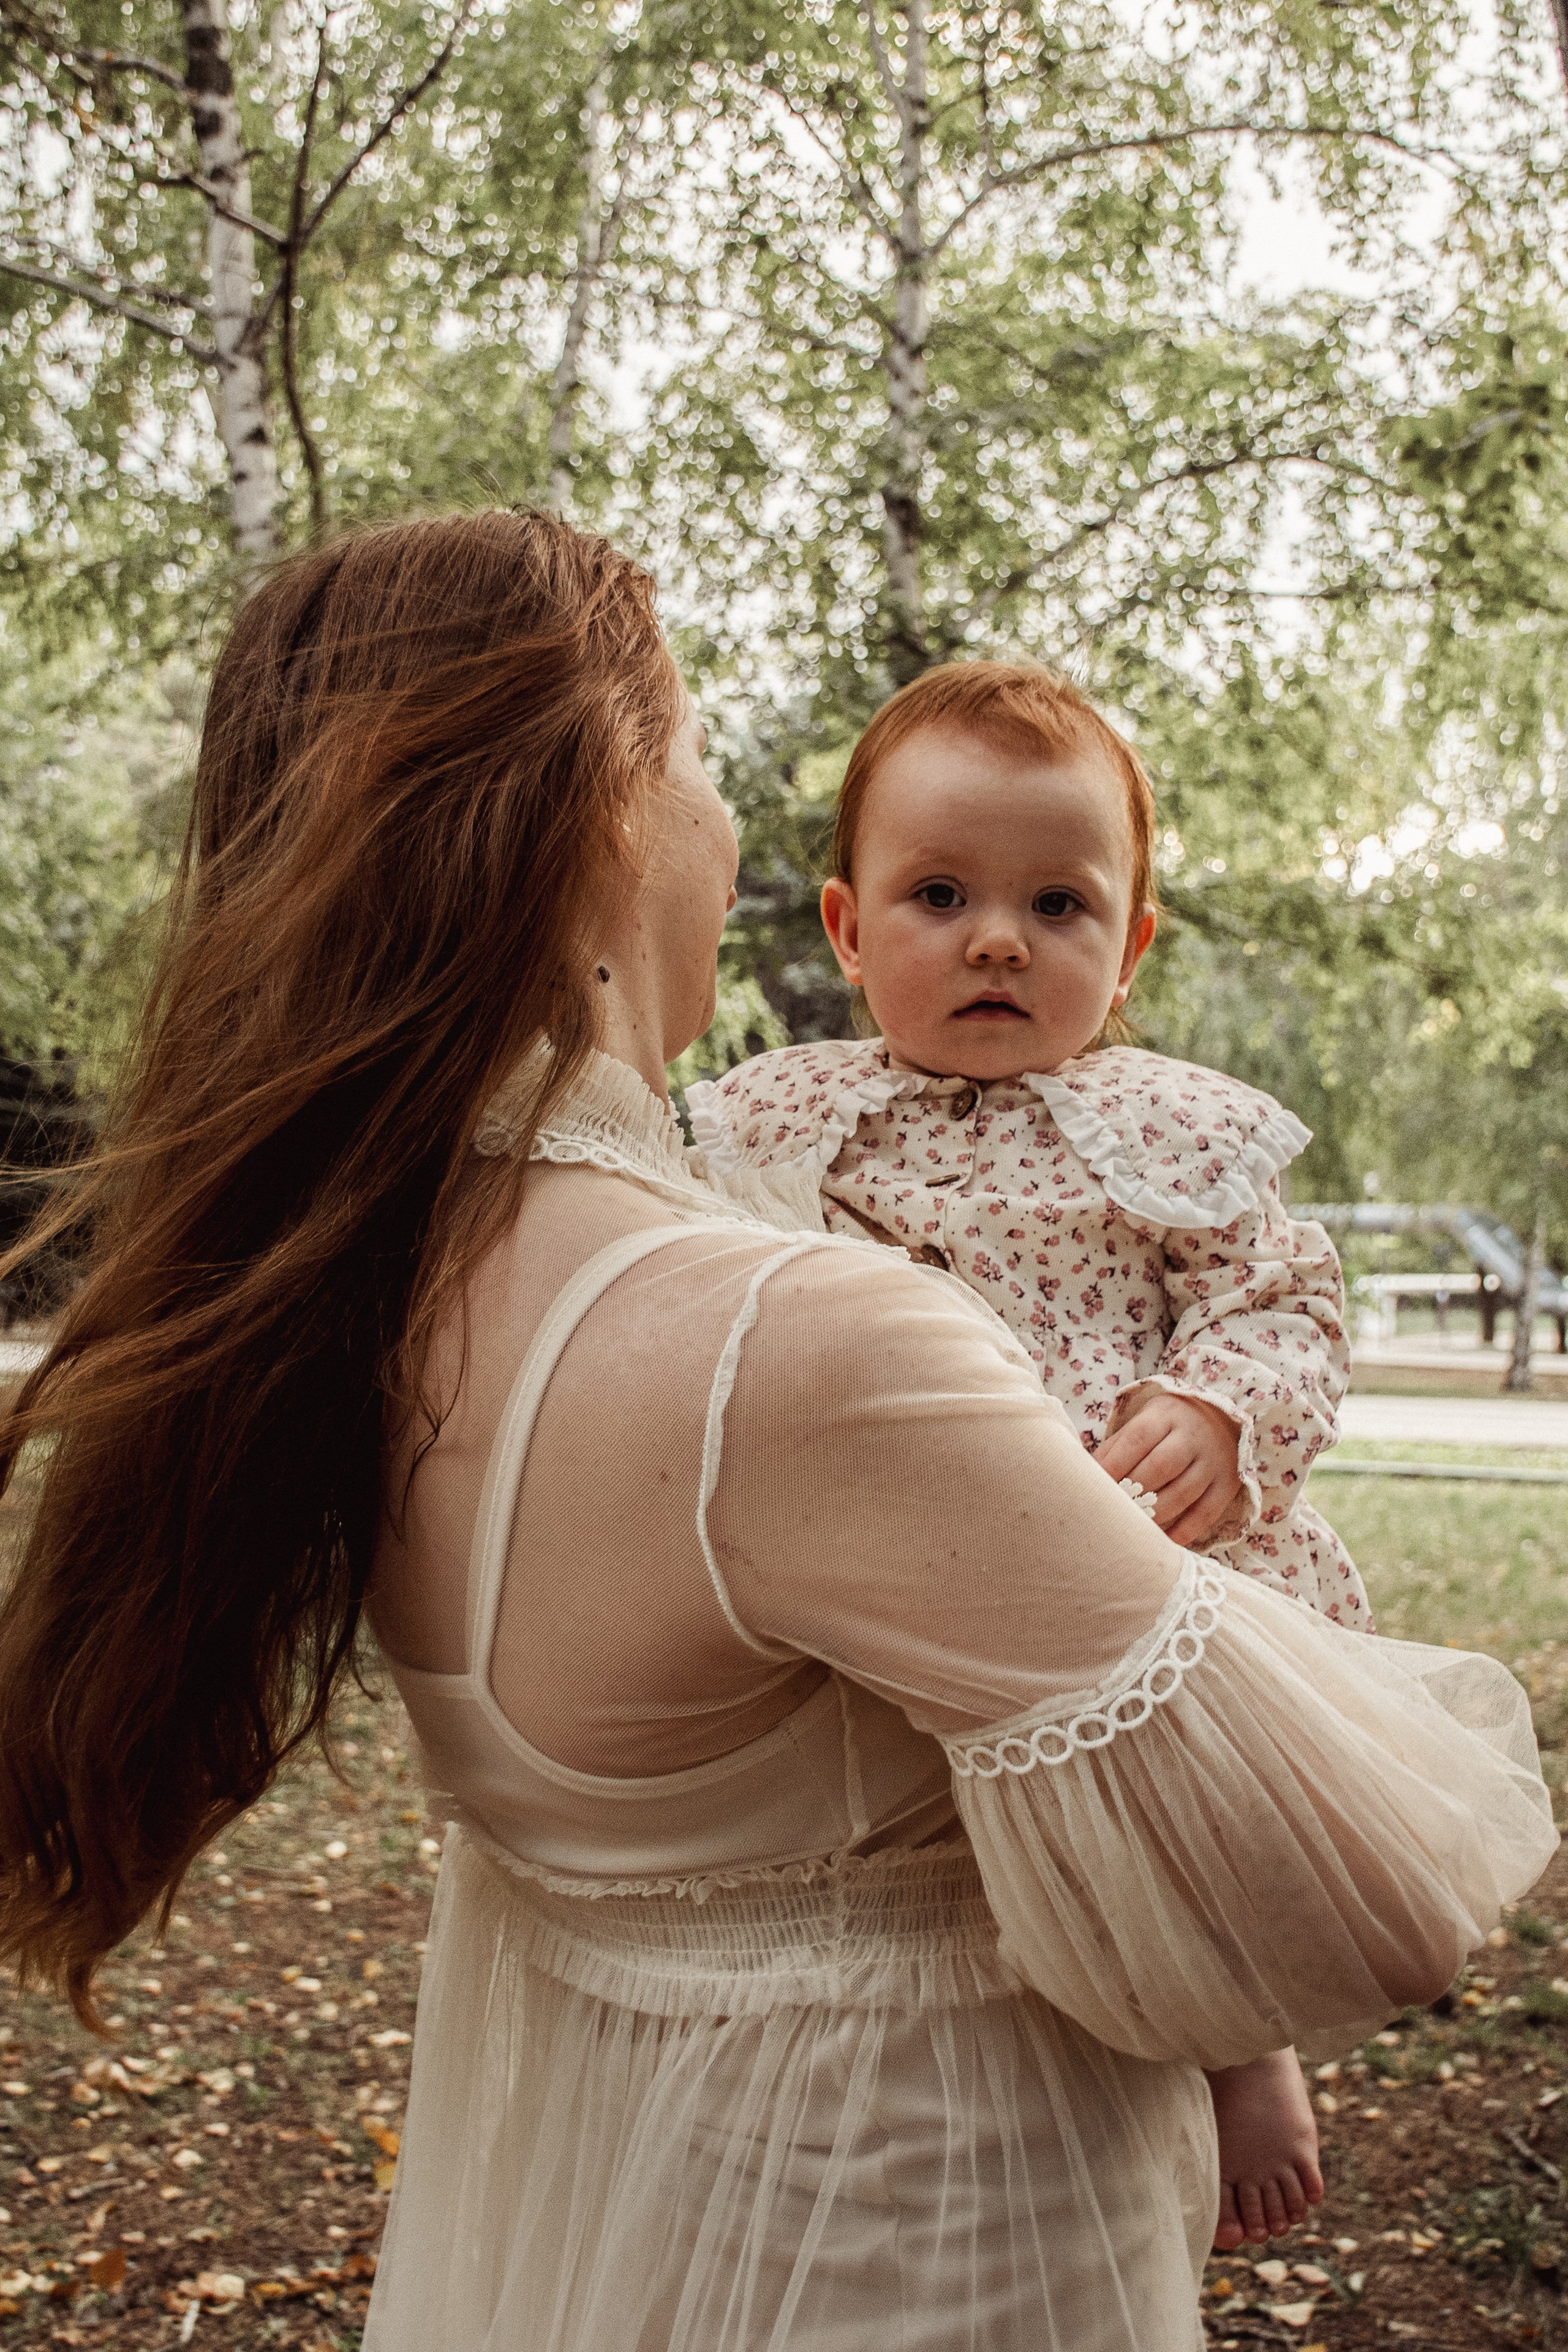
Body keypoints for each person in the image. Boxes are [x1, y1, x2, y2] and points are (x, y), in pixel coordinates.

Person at [0, 513, 1553, 2352]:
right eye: (708, 760)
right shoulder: (790, 1340)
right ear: (606, 813)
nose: (727, 829)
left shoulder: (363, 1294)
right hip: (930, 2258)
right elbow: (1355, 1900)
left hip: (621, 2240)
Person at [687, 659, 1369, 2255]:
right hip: (902, 1539)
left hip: (1129, 1542)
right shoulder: (786, 1124)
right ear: (851, 932)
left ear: (1127, 947)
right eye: (941, 893)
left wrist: (1217, 1410)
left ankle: (1236, 2034)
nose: (999, 938)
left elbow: (1284, 1297)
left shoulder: (1169, 1133)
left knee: (1179, 1808)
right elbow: (717, 1283)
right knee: (919, 1818)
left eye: (1059, 905)